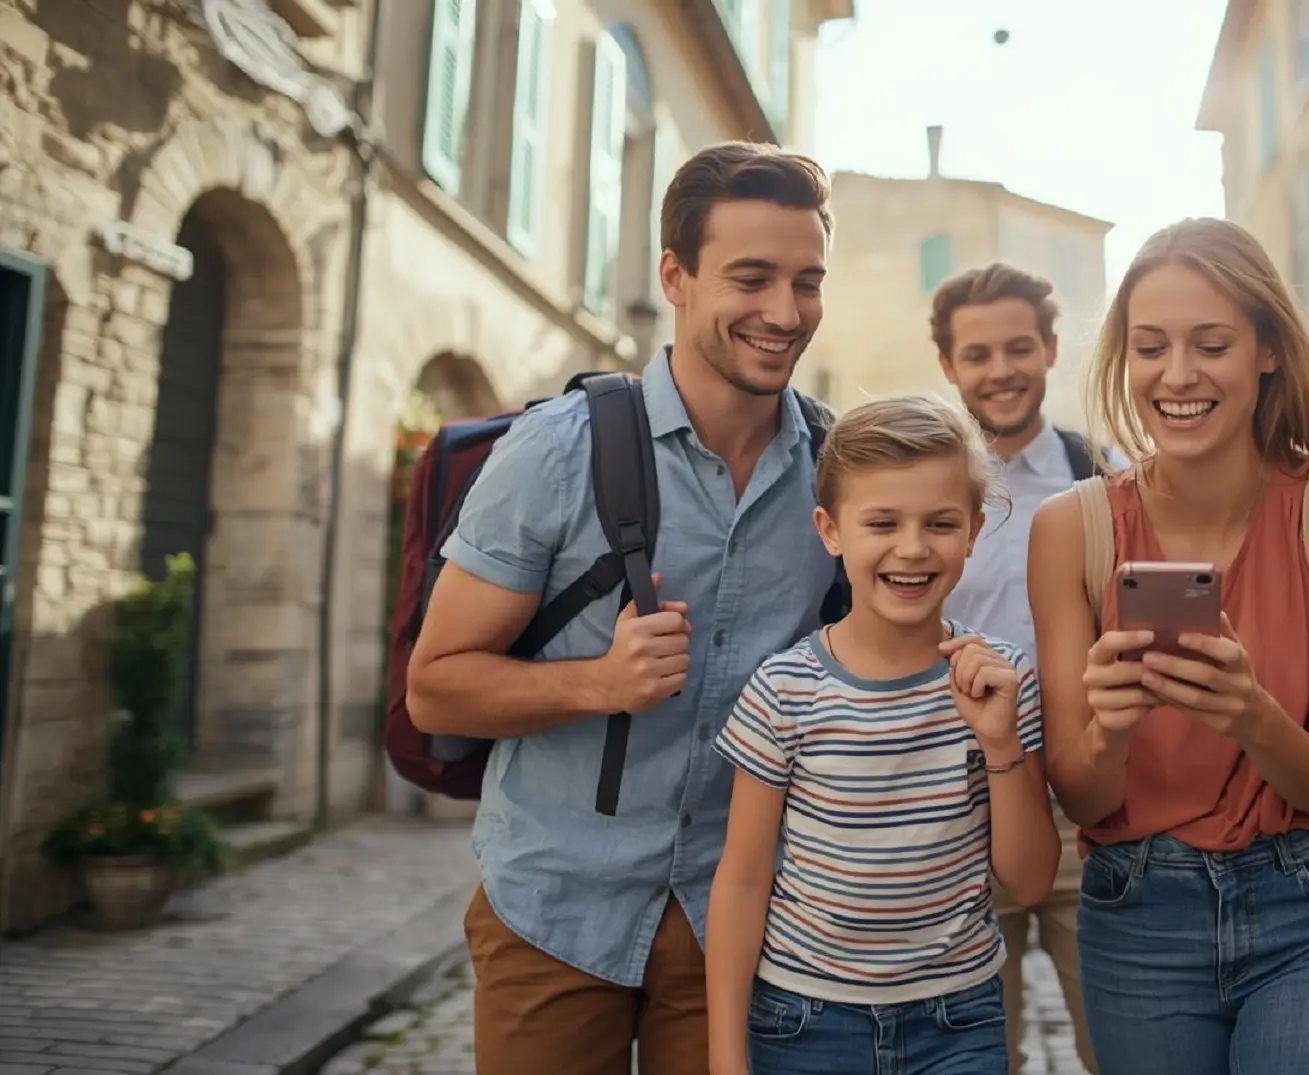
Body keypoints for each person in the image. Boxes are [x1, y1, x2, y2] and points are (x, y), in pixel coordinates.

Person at [405, 141, 840, 1075]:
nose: (783, 312)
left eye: (806, 282)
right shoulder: (554, 450)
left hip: (742, 924)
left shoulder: (837, 474)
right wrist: (598, 681)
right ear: (674, 276)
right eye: (751, 277)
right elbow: (435, 690)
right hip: (556, 911)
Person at [1026, 217, 1309, 1073]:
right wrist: (1109, 730)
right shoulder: (1070, 529)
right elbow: (1083, 801)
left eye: (1210, 343)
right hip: (1137, 916)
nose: (1178, 374)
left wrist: (1251, 714)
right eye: (1149, 346)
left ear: (1266, 350)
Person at [706, 394, 1062, 1075]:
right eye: (881, 522)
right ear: (830, 529)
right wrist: (726, 1057)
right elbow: (743, 878)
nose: (911, 547)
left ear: (973, 530)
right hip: (804, 1020)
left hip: (957, 1020)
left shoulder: (1002, 679)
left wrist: (999, 746)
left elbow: (1030, 877)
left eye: (939, 523)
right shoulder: (785, 689)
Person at [930, 262, 1103, 1074]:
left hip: (1084, 809)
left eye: (1017, 348)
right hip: (954, 809)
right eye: (977, 354)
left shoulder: (1102, 479)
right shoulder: (922, 490)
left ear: (1050, 350)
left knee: (1120, 1043)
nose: (999, 370)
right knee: (975, 1054)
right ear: (948, 366)